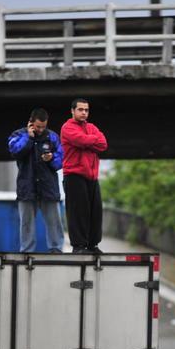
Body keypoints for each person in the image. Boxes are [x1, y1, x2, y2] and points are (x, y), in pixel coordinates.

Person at [7, 107, 65, 253]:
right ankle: (27, 250)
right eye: (38, 127)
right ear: (31, 123)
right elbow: (16, 151)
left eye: (43, 127)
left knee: (54, 222)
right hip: (27, 188)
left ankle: (56, 248)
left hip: (48, 187)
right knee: (26, 223)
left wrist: (51, 159)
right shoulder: (18, 135)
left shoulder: (52, 136)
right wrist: (29, 137)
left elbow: (62, 160)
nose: (41, 130)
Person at [60, 97, 108, 254]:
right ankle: (78, 246)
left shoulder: (91, 127)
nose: (84, 113)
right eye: (80, 109)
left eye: (86, 110)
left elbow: (103, 144)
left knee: (95, 212)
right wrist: (92, 141)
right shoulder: (67, 128)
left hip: (92, 176)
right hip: (74, 175)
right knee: (78, 211)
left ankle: (92, 245)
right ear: (72, 111)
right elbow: (80, 140)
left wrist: (89, 141)